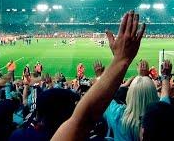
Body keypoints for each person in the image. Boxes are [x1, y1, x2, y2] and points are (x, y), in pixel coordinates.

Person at [52, 10, 146, 140]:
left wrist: (120, 61)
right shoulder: (161, 115)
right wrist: (122, 60)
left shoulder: (119, 116)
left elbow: (83, 120)